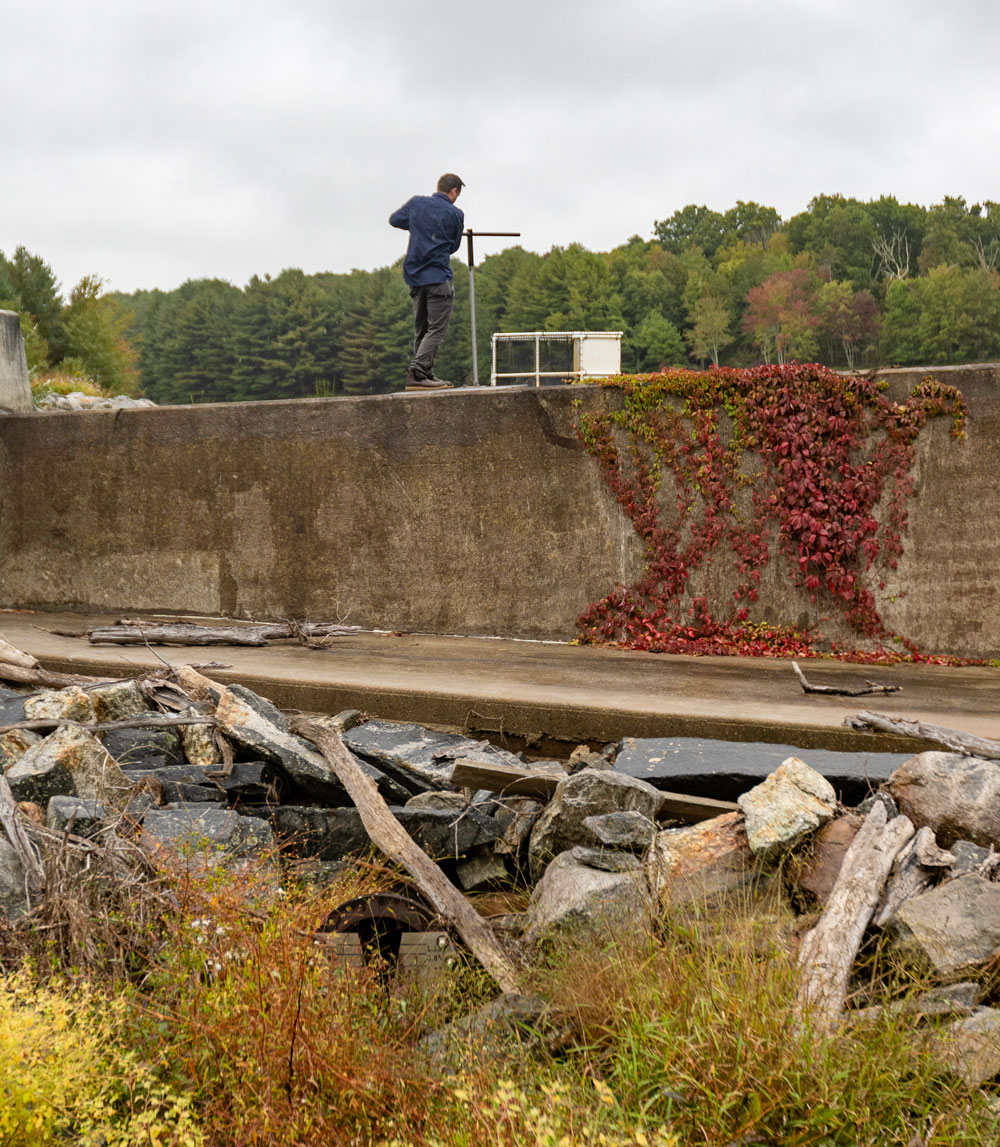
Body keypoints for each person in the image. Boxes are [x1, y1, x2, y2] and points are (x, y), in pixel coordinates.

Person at [389, 173, 465, 389]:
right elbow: (454, 246)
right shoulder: (455, 214)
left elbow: (394, 220)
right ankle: (417, 372)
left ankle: (424, 376)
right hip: (438, 277)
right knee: (436, 330)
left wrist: (418, 224)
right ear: (454, 192)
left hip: (414, 277)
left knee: (421, 328)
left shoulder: (416, 204)